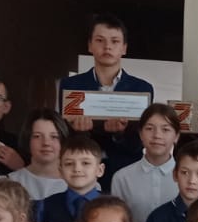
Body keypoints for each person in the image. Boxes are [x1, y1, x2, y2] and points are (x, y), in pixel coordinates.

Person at [60, 13, 154, 179]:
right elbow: (62, 137)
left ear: (124, 48)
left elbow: (141, 142)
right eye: (100, 40)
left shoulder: (142, 89)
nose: (107, 47)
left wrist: (120, 135)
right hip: (81, 172)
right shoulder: (70, 86)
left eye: (115, 41)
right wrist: (80, 132)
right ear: (90, 45)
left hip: (126, 173)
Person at [112, 103, 181, 222]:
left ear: (176, 136)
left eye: (165, 129)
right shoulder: (122, 177)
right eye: (149, 128)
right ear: (140, 134)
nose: (157, 135)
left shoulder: (187, 177)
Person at [36, 132, 105, 222]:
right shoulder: (45, 206)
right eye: (69, 164)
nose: (77, 169)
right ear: (61, 171)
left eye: (85, 163)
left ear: (100, 170)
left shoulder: (113, 206)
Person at [9, 110, 70, 202]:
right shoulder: (12, 181)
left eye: (54, 137)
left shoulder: (79, 182)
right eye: (37, 136)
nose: (46, 143)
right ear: (27, 140)